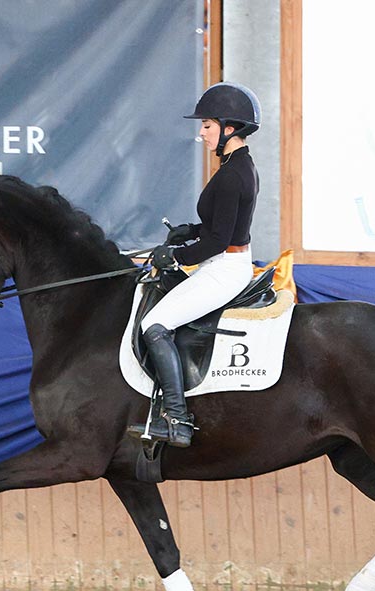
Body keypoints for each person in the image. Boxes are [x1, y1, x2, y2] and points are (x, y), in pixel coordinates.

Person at [128, 82, 261, 448]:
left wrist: (175, 256)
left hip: (224, 267)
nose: (201, 133)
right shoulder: (238, 165)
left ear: (229, 128)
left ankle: (178, 420)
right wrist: (190, 231)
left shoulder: (234, 174)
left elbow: (219, 240)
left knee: (154, 326)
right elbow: (222, 225)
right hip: (221, 261)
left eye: (207, 126)